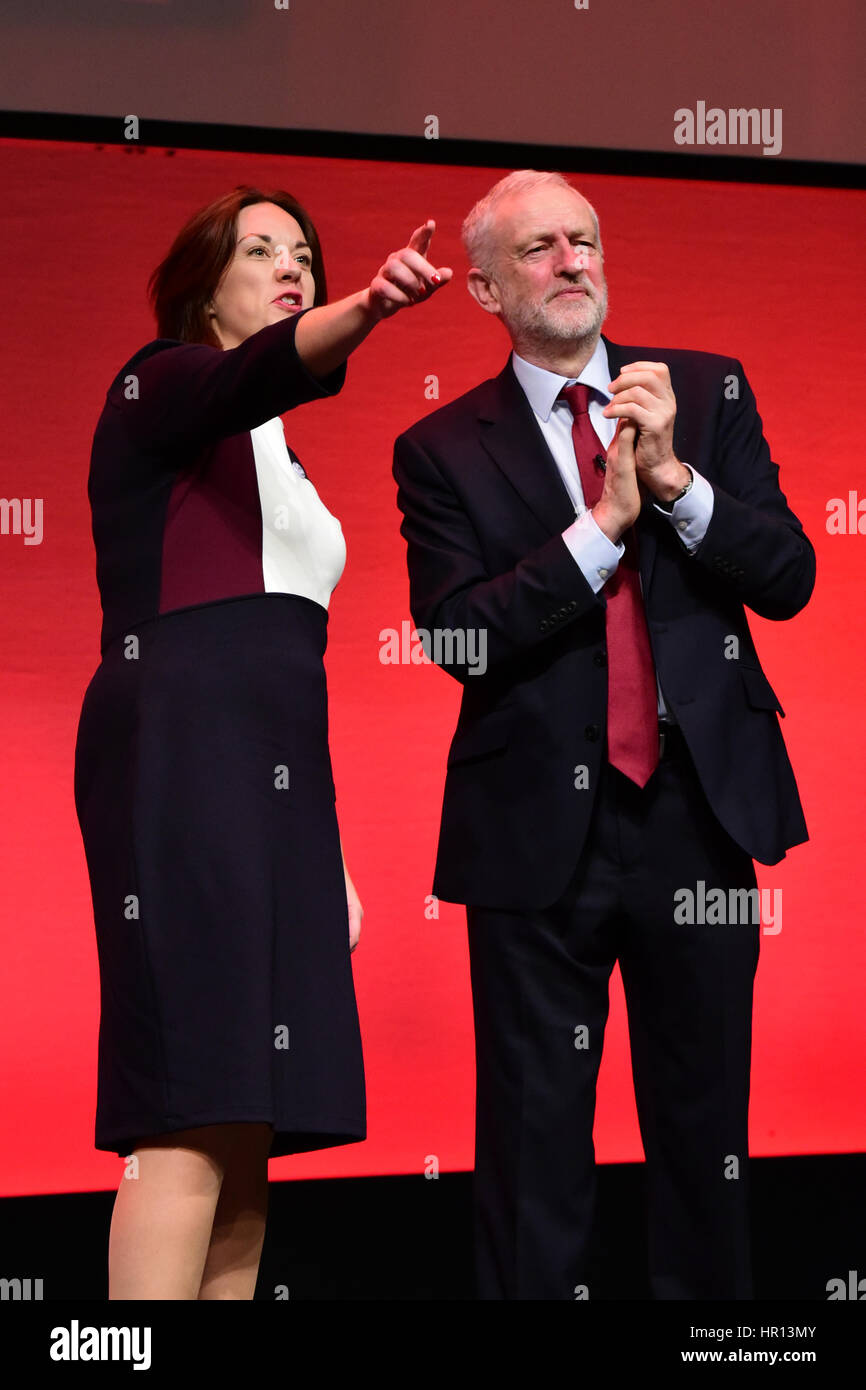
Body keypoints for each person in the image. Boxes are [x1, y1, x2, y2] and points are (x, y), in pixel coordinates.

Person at [392, 169, 814, 1300]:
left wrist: (674, 480)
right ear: (483, 287)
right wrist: (595, 536)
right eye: (538, 248)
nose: (572, 261)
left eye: (584, 238)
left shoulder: (706, 392)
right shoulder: (439, 447)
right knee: (533, 1143)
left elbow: (787, 577)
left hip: (697, 810)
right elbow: (456, 639)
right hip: (536, 830)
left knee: (701, 1127)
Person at [74, 185, 451, 1300]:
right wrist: (369, 307)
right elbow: (267, 365)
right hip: (180, 752)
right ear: (204, 283)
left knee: (252, 1123)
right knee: (190, 1104)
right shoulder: (159, 382)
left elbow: (289, 679)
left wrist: (322, 854)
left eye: (303, 251)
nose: (289, 264)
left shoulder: (278, 457)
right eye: (261, 250)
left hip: (275, 781)